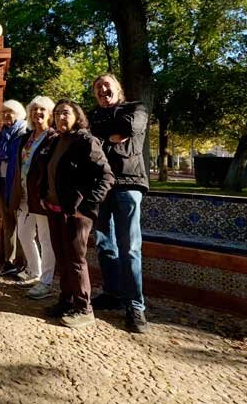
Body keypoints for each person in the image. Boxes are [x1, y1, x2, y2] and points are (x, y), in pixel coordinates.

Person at [40, 99, 114, 329]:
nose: (61, 117)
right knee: (62, 258)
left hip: (75, 213)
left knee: (75, 261)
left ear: (76, 116)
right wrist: (44, 194)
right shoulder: (56, 141)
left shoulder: (85, 141)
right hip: (54, 210)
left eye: (66, 113)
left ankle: (84, 308)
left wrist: (86, 205)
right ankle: (66, 301)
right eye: (58, 113)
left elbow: (106, 177)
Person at [88, 74, 150, 333]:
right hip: (101, 185)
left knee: (130, 247)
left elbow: (129, 128)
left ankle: (135, 306)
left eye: (107, 86)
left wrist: (106, 131)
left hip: (128, 183)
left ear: (118, 89)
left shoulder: (136, 109)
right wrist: (107, 133)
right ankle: (113, 293)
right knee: (104, 244)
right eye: (98, 87)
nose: (103, 90)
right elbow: (90, 136)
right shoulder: (93, 115)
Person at [8, 96, 58, 299]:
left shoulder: (53, 137)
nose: (38, 113)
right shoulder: (26, 138)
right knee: (24, 234)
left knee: (46, 238)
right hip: (24, 194)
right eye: (35, 109)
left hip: (42, 195)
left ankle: (45, 281)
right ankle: (34, 271)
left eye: (43, 110)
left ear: (50, 113)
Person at [0, 99, 28, 277]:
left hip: (17, 184)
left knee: (23, 227)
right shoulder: (0, 135)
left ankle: (24, 265)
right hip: (0, 182)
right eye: (3, 112)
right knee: (8, 224)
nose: (6, 115)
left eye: (10, 112)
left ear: (19, 114)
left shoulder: (24, 134)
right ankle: (8, 262)